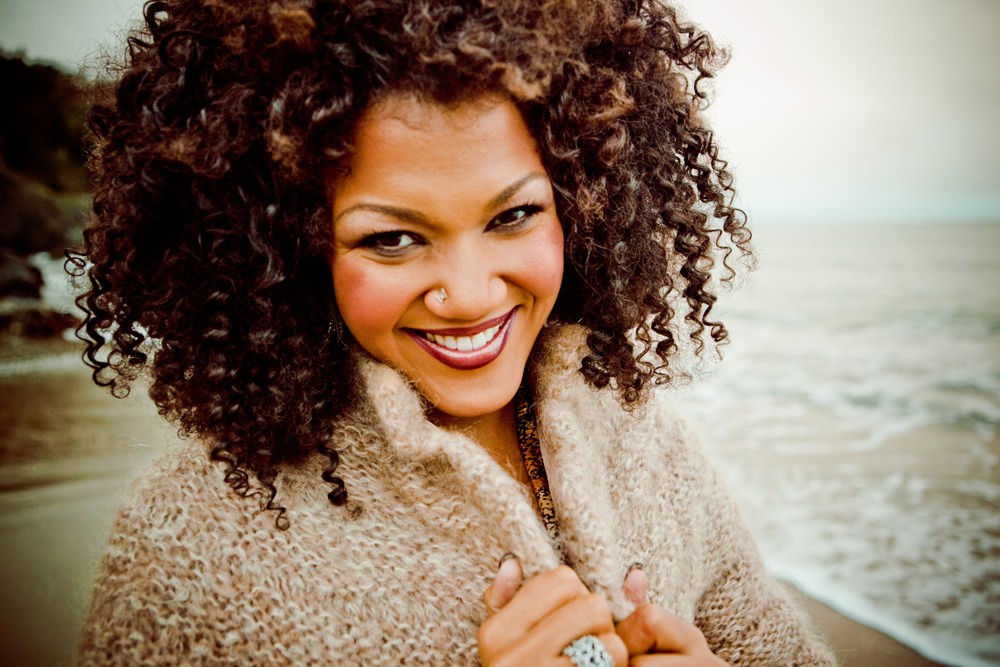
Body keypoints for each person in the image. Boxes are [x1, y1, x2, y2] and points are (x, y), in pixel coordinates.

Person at [72, 0, 836, 664]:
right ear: (285, 246)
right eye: (392, 239)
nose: (470, 296)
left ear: (582, 204)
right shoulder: (193, 541)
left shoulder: (650, 444)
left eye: (514, 215)